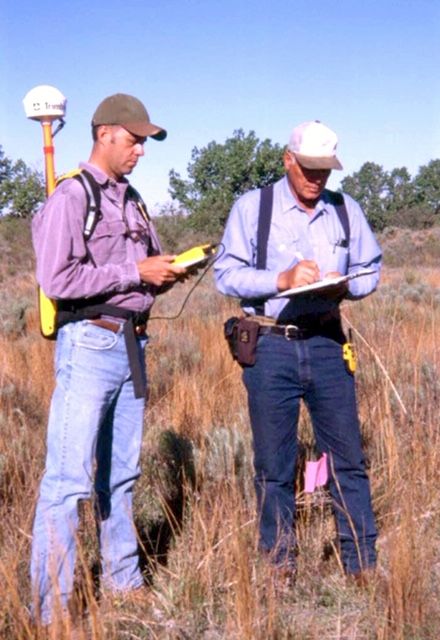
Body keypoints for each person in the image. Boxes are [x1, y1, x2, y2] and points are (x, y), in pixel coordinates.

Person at [31, 93, 187, 624]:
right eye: (134, 139)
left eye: (144, 141)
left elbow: (143, 267)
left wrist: (166, 272)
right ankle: (51, 612)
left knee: (121, 474)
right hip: (90, 343)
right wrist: (133, 274)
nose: (141, 150)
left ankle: (122, 582)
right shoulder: (72, 198)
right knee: (68, 481)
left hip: (132, 344)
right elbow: (57, 279)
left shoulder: (134, 199)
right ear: (104, 133)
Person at [214, 120, 381, 582]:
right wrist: (279, 280)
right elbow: (226, 274)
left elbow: (371, 268)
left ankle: (361, 564)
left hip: (328, 343)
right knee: (274, 464)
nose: (316, 179)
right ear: (287, 160)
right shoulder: (254, 208)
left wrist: (348, 287)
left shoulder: (346, 210)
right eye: (308, 168)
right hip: (271, 346)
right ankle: (279, 565)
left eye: (325, 170)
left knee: (348, 458)